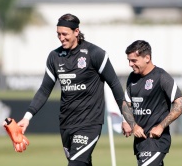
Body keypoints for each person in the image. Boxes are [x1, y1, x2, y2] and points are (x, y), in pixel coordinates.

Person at [17, 13, 125, 166]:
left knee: (75, 164)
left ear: (76, 31)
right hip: (66, 123)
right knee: (82, 163)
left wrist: (127, 117)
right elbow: (44, 90)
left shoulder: (95, 54)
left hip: (89, 123)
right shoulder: (54, 57)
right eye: (58, 34)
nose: (61, 38)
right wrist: (27, 117)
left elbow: (114, 84)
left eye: (65, 34)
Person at [121, 40, 182, 166]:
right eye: (129, 61)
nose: (130, 64)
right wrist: (131, 124)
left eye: (134, 60)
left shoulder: (161, 77)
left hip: (156, 141)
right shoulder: (132, 77)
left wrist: (161, 126)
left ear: (147, 58)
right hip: (140, 142)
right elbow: (126, 104)